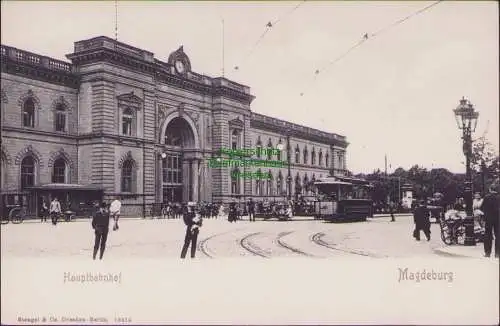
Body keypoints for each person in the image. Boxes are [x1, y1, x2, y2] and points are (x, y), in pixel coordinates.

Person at [481, 184, 499, 258]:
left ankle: (487, 253)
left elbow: (482, 207)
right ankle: (497, 253)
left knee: (488, 235)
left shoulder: (487, 197)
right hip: (498, 218)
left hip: (488, 219)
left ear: (490, 189)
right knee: (498, 235)